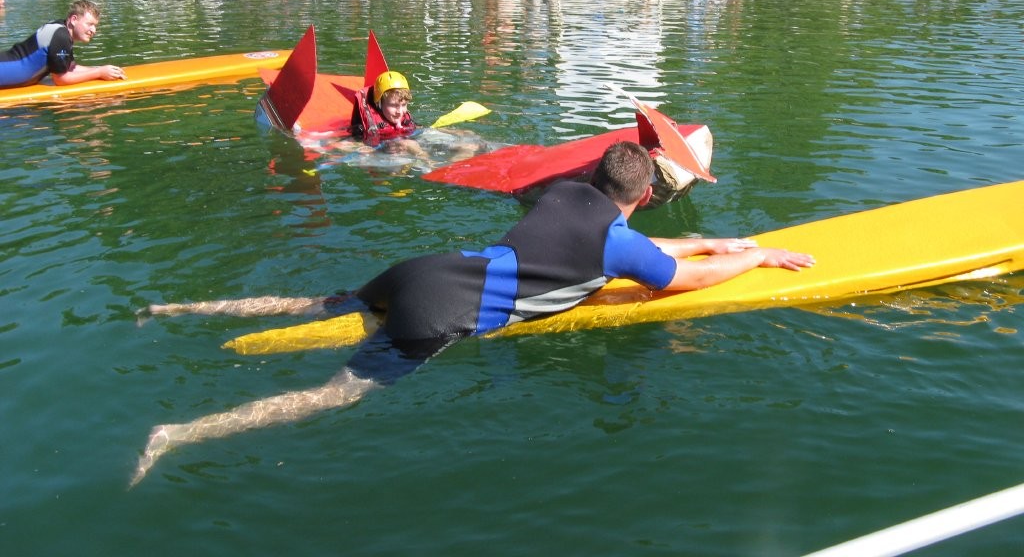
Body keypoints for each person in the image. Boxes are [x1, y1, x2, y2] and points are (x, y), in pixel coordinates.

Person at [132, 141, 814, 485]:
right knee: (337, 396)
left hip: (426, 268)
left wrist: (713, 239)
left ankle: (175, 306)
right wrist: (753, 257)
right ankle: (179, 433)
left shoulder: (564, 194)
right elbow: (678, 280)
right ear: (639, 197)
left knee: (319, 302)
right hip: (441, 312)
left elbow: (636, 244)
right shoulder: (619, 239)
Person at [1, 0, 124, 89]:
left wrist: (102, 70)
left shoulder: (61, 30)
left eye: (95, 26)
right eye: (89, 24)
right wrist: (99, 73)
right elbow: (61, 79)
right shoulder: (61, 36)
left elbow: (70, 68)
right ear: (74, 20)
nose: (94, 30)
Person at [351, 70, 417, 144]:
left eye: (404, 105)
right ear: (379, 104)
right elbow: (348, 143)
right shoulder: (364, 128)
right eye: (393, 105)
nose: (400, 112)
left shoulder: (406, 121)